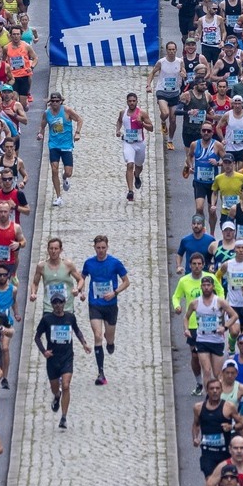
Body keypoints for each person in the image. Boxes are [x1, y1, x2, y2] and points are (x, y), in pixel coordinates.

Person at [32, 293, 91, 431]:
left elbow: (77, 331)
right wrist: (44, 352)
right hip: (52, 359)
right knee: (55, 388)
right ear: (52, 305)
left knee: (65, 385)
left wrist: (84, 344)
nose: (58, 306)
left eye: (60, 303)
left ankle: (63, 417)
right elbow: (37, 337)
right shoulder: (46, 319)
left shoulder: (70, 317)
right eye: (55, 303)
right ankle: (56, 397)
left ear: (64, 303)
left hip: (67, 357)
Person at [80, 236, 130, 386]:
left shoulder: (115, 263)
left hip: (110, 305)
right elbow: (81, 278)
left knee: (109, 337)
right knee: (97, 336)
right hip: (95, 304)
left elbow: (126, 282)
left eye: (103, 248)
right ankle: (101, 373)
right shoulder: (89, 263)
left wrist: (115, 292)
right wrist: (81, 291)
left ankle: (111, 343)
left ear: (107, 247)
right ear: (94, 248)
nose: (101, 251)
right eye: (98, 248)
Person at [39, 92, 83, 207]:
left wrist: (77, 133)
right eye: (52, 101)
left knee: (68, 172)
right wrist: (40, 134)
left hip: (66, 145)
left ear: (60, 101)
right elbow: (42, 125)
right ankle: (58, 197)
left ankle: (64, 178)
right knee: (54, 169)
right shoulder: (47, 113)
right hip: (53, 145)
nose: (54, 103)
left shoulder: (67, 111)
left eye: (57, 101)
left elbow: (79, 119)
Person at [116, 93, 154, 202]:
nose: (132, 103)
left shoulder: (142, 113)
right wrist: (118, 130)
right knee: (130, 164)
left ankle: (137, 176)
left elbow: (151, 127)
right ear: (127, 102)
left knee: (139, 165)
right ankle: (130, 191)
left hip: (139, 143)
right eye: (130, 101)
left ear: (137, 101)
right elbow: (119, 121)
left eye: (134, 101)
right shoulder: (123, 113)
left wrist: (142, 124)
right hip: (128, 143)